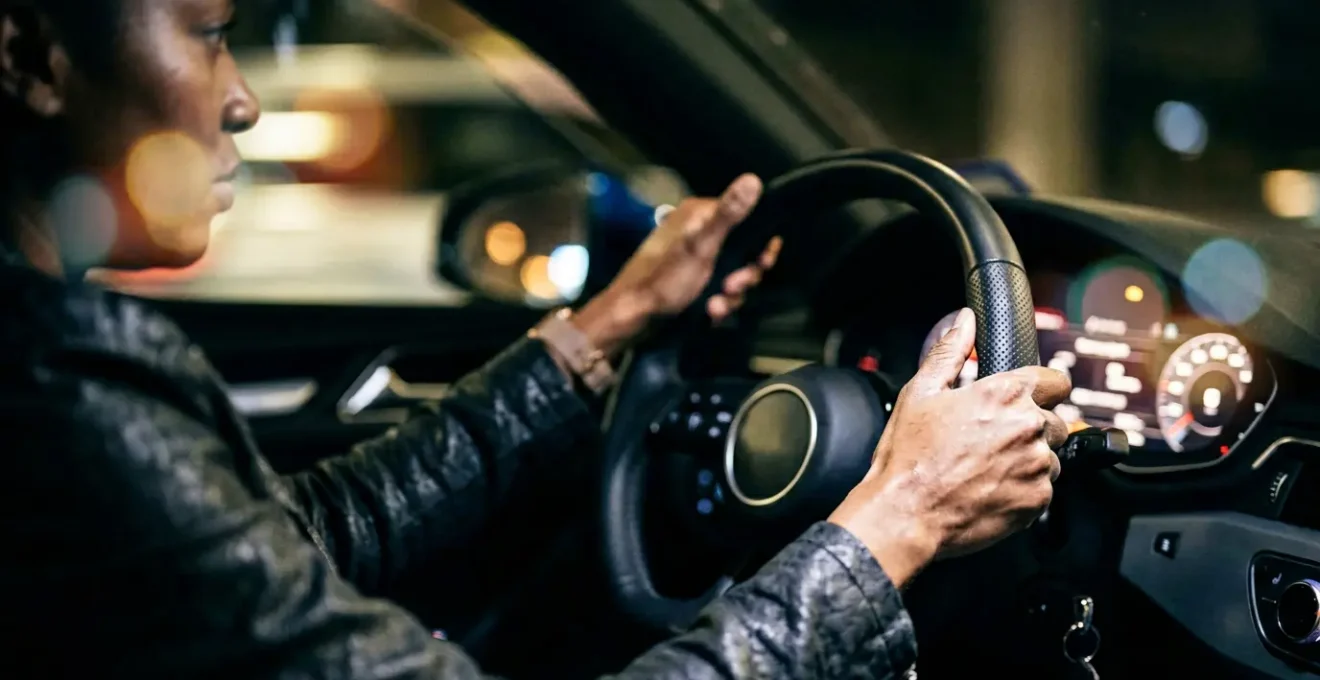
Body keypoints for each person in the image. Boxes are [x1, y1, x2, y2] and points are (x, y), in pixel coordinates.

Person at [0, 1, 1070, 678]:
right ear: (31, 54)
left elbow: (290, 539)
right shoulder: (56, 391)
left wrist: (604, 327)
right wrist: (900, 515)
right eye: (209, 30)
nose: (239, 100)